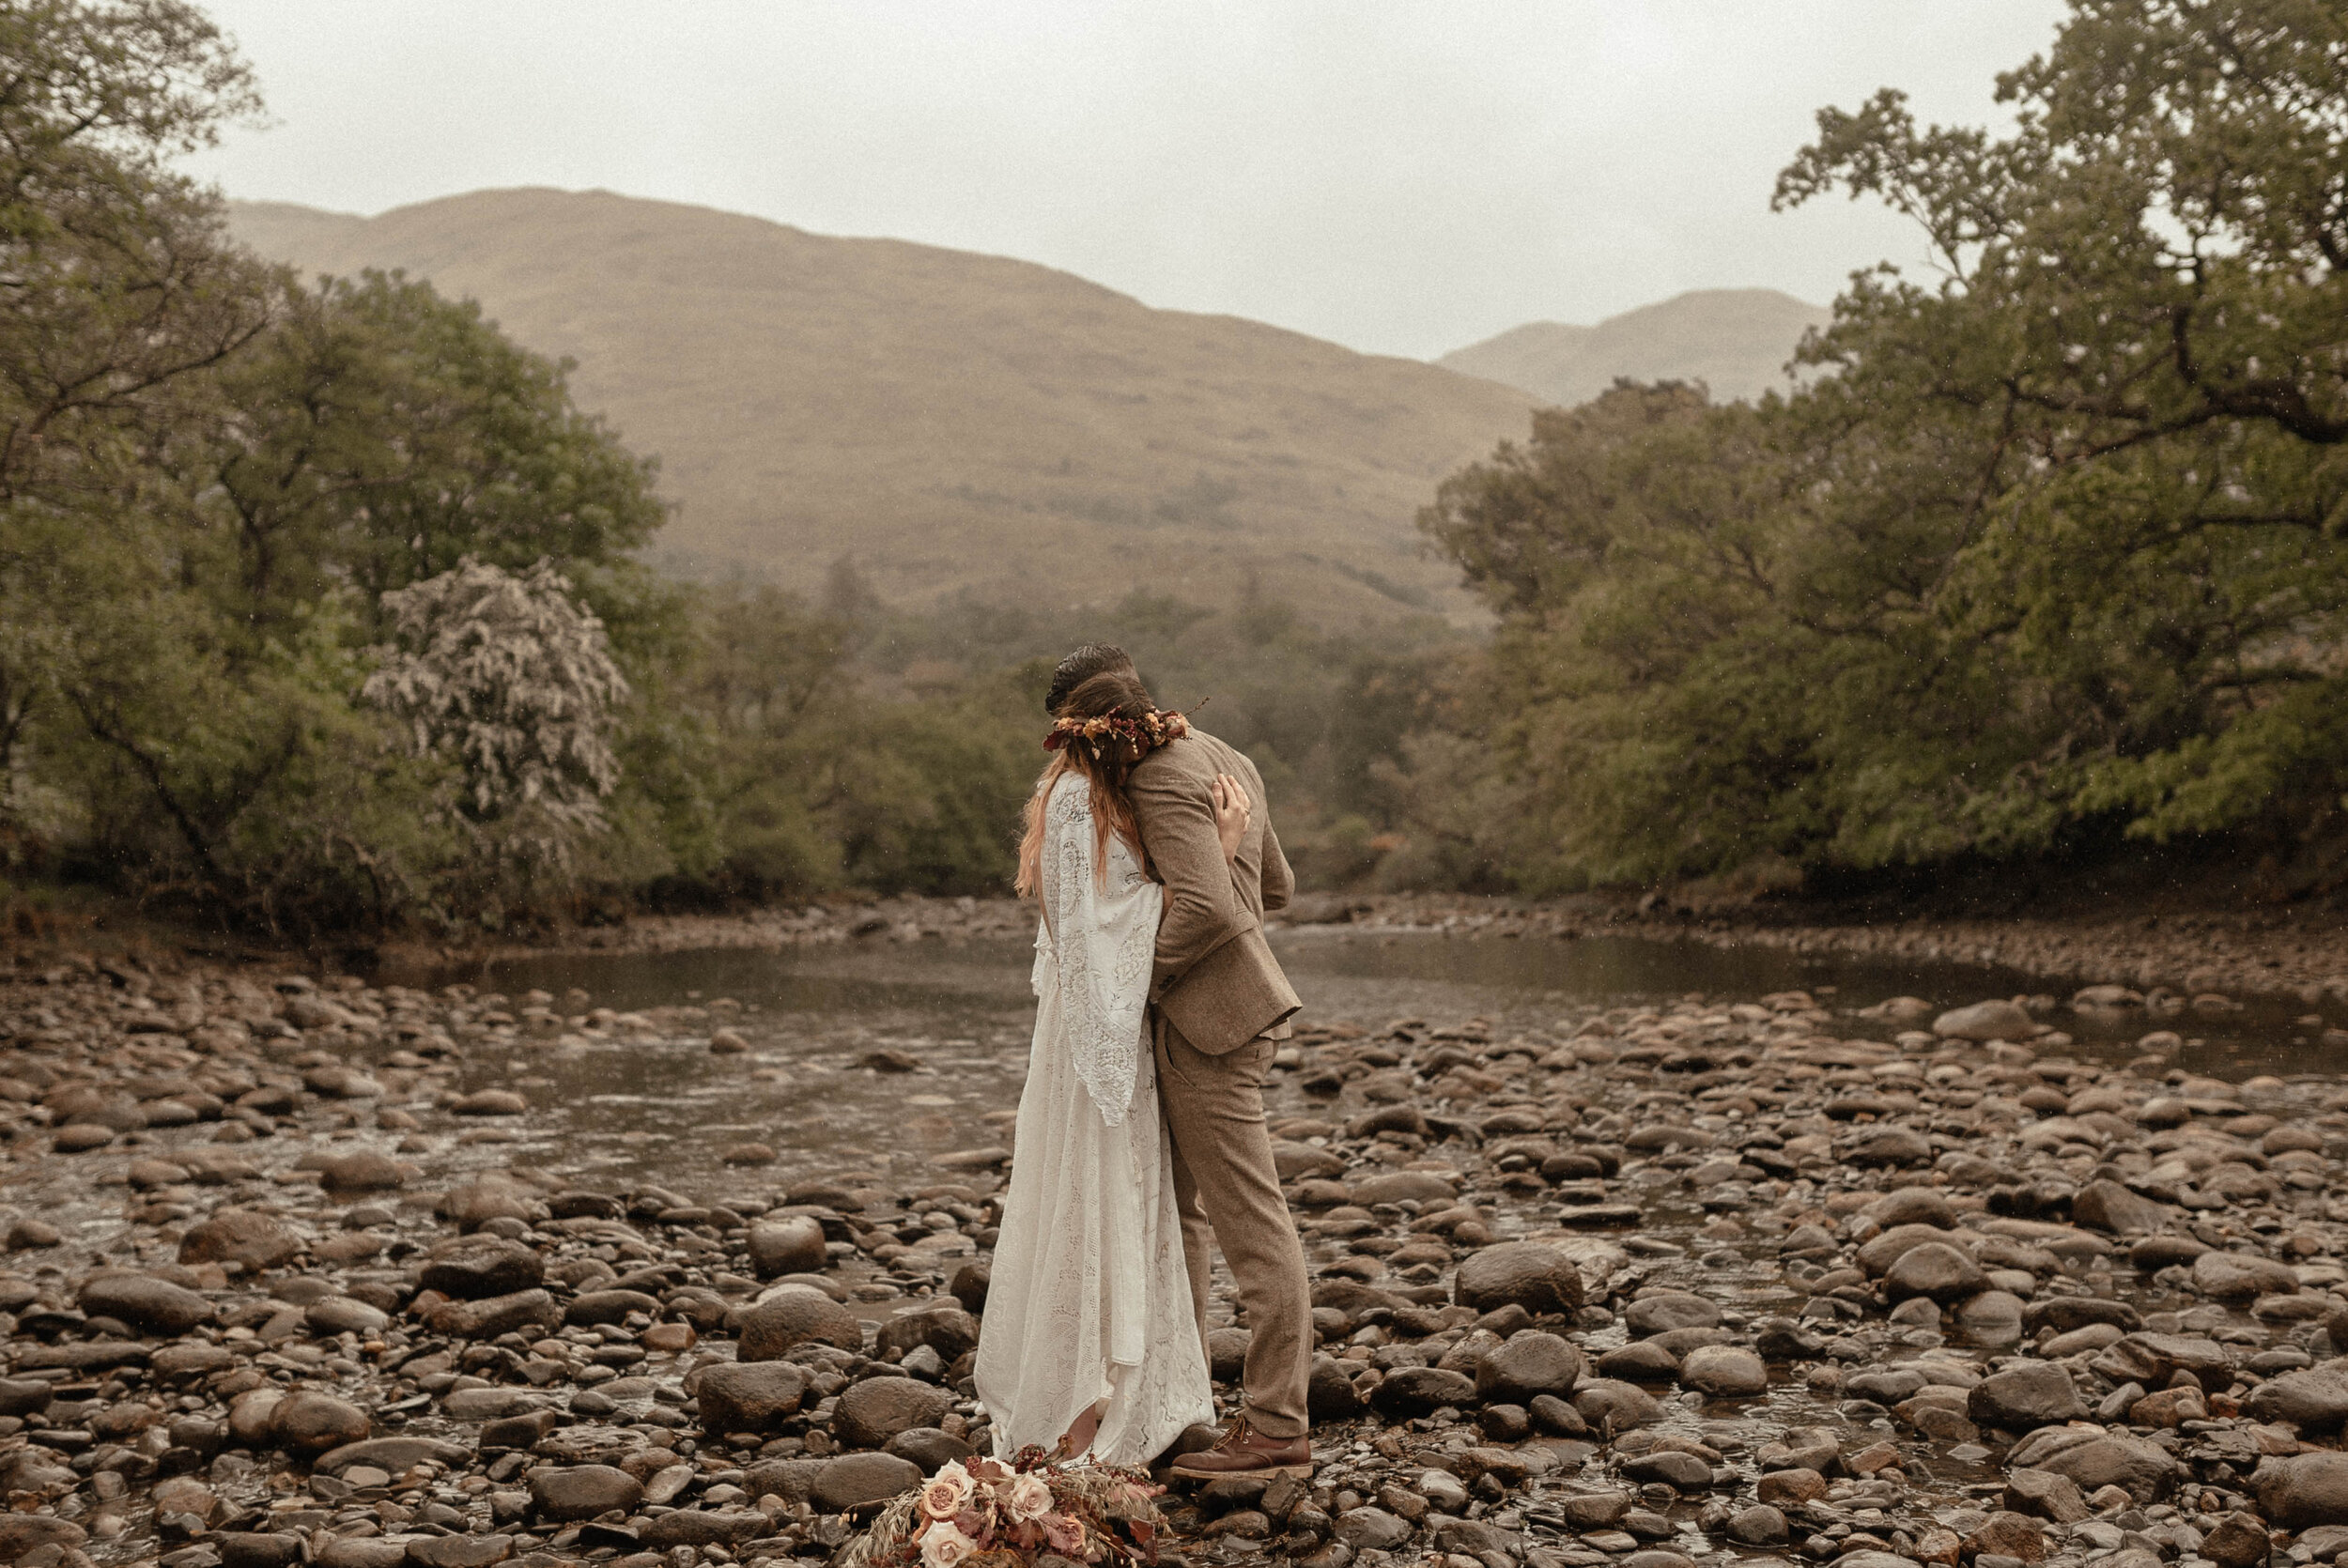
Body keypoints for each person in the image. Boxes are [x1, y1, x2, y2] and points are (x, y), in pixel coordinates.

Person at [1034, 645, 1315, 1482]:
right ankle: (1176, 1406)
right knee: (1183, 1221)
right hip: (1224, 1013)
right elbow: (1279, 890)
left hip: (1210, 1025)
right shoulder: (1222, 752)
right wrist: (1227, 860)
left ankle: (1276, 1427)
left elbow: (1207, 906)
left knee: (1250, 1227)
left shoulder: (1156, 776)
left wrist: (1121, 985)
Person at [972, 665, 1257, 1466]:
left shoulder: (1104, 796)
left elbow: (1115, 916)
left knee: (1133, 1199)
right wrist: (1222, 854)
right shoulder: (1070, 802)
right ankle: (1083, 1404)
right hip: (1095, 1033)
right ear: (1090, 728)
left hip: (1111, 1022)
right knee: (1099, 1196)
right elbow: (1098, 931)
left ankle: (1132, 1391)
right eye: (1117, 722)